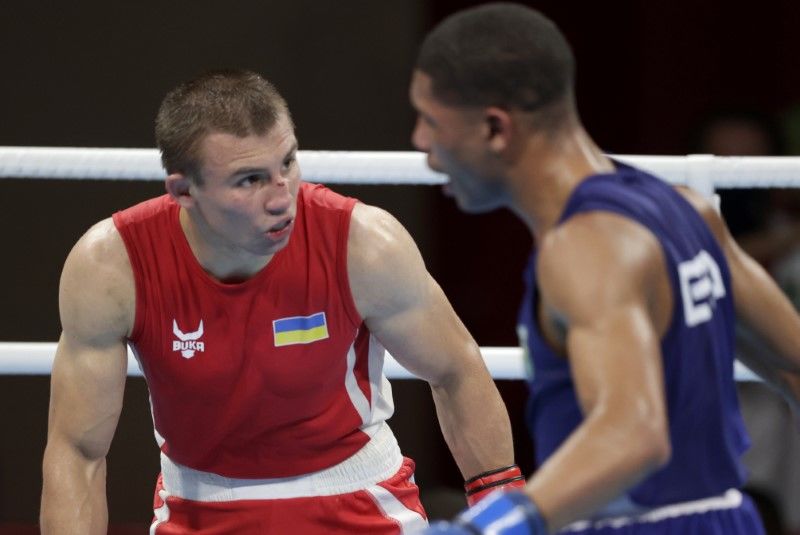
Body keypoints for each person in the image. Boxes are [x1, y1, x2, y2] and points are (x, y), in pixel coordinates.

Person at [40, 69, 525, 534]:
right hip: (198, 508)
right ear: (184, 190)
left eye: (288, 163)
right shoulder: (112, 266)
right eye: (249, 180)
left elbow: (455, 369)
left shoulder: (363, 244)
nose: (281, 197)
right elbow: (78, 451)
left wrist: (502, 508)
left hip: (360, 501)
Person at [408, 3, 800, 534]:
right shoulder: (686, 208)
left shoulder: (584, 248)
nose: (422, 145)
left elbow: (632, 434)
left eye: (431, 121)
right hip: (728, 517)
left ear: (496, 128)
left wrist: (490, 526)